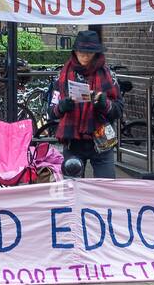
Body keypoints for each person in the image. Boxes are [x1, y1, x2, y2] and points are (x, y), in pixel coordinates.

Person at [47, 30, 122, 179]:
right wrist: (62, 106)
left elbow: (118, 110)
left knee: (106, 188)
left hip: (102, 139)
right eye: (81, 51)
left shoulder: (108, 75)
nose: (85, 55)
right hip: (73, 140)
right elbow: (51, 112)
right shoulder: (62, 74)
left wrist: (104, 103)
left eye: (90, 52)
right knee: (72, 189)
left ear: (96, 53)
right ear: (75, 51)